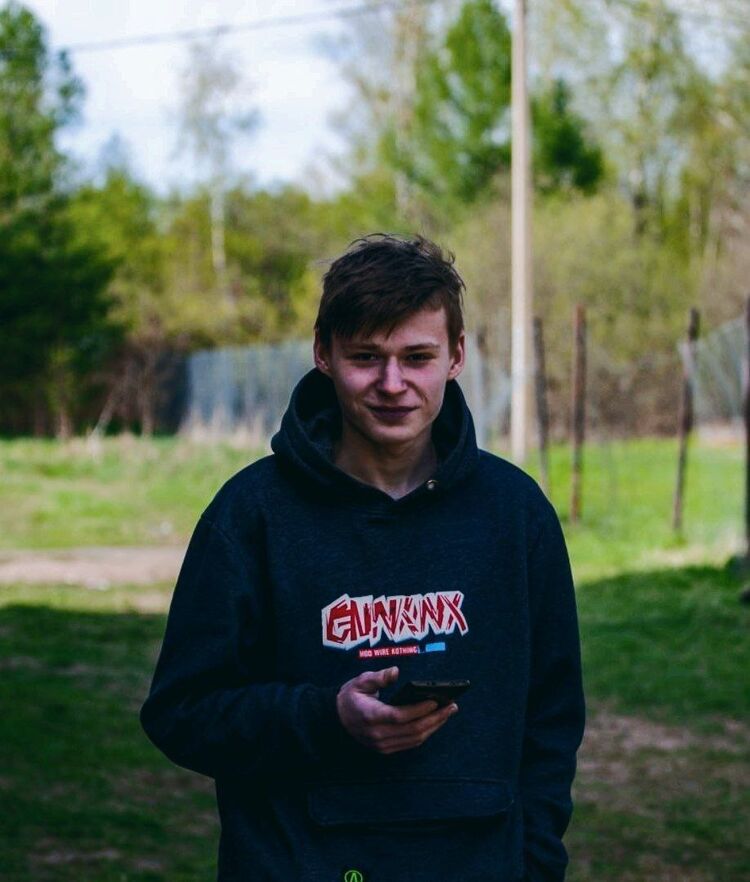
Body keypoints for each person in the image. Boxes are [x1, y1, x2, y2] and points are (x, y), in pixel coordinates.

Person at [140, 233, 585, 882]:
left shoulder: (515, 514)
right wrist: (326, 719)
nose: (392, 384)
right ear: (324, 353)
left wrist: (535, 862)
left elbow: (553, 719)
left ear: (457, 355)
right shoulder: (253, 514)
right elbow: (182, 714)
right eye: (366, 357)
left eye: (417, 357)